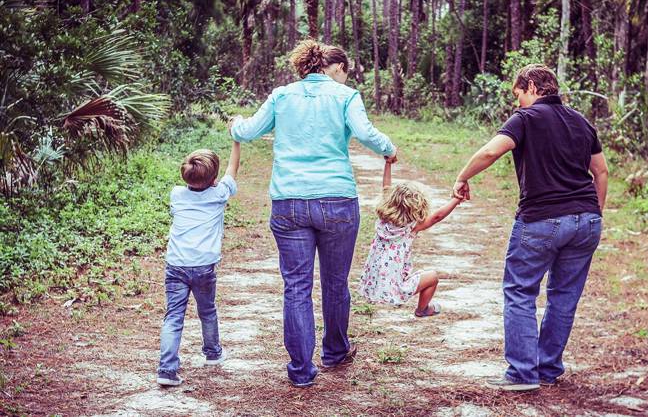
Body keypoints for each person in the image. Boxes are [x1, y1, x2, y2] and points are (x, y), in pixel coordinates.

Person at [230, 40, 397, 387]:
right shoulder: (345, 96)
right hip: (337, 200)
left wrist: (235, 124)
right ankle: (335, 351)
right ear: (331, 67)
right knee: (335, 283)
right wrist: (389, 150)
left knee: (296, 286)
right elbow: (366, 134)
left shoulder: (281, 96)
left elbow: (246, 132)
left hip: (288, 202)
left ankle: (301, 371)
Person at [452, 64, 609, 391]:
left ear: (533, 87)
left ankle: (523, 373)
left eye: (519, 94)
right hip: (587, 220)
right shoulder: (581, 121)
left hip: (542, 219)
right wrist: (594, 212)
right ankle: (548, 369)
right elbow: (601, 171)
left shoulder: (526, 119)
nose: (518, 102)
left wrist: (462, 177)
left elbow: (493, 149)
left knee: (520, 290)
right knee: (564, 296)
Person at [156, 140, 241, 387]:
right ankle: (213, 353)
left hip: (176, 265)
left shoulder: (176, 194)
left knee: (173, 317)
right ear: (214, 179)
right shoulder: (219, 194)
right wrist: (235, 141)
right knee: (207, 311)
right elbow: (232, 171)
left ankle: (167, 369)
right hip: (204, 266)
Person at [359, 161, 463, 316]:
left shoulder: (382, 221)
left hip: (373, 285)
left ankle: (419, 308)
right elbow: (437, 216)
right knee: (432, 277)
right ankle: (422, 310)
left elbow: (385, 188)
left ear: (390, 200)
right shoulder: (410, 228)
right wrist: (456, 199)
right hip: (396, 288)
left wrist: (388, 163)